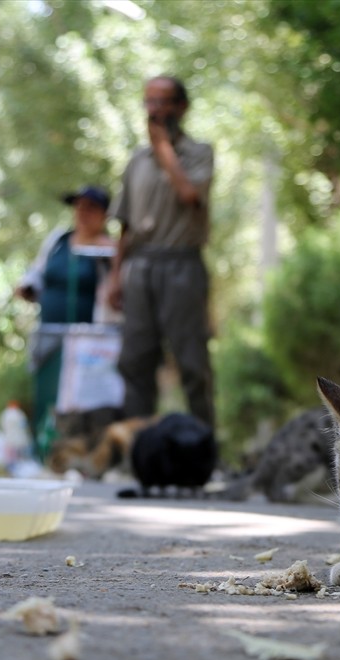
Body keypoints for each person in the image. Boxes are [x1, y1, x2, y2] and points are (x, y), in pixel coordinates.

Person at [106, 75, 215, 428]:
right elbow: (124, 224)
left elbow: (190, 196)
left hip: (181, 264)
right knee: (135, 360)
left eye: (163, 101)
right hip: (140, 266)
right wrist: (115, 277)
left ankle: (205, 449)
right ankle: (139, 451)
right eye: (149, 102)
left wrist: (165, 149)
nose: (155, 110)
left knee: (191, 361)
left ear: (181, 107)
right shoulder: (136, 160)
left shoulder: (199, 153)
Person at [15, 185, 118, 325]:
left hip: (91, 336)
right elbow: (37, 271)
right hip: (49, 330)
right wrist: (28, 288)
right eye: (79, 206)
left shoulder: (112, 250)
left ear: (105, 214)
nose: (83, 213)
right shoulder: (58, 240)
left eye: (91, 207)